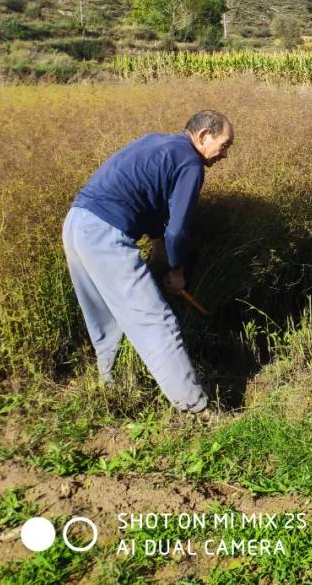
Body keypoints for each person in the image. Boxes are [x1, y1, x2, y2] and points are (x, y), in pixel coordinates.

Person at [62, 110, 234, 413]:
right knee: (157, 321)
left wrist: (156, 243)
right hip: (104, 233)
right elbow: (178, 229)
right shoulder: (191, 164)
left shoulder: (156, 141)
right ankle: (197, 409)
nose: (225, 154)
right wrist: (176, 270)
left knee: (105, 317)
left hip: (77, 223)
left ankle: (112, 389)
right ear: (205, 135)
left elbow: (150, 197)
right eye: (225, 144)